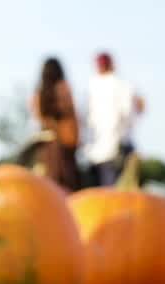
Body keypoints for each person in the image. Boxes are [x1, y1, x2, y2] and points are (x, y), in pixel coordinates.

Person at [85, 51, 144, 187]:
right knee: (116, 192)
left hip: (96, 150)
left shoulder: (91, 87)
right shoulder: (122, 85)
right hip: (116, 147)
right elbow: (130, 113)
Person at [28, 57, 83, 192]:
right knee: (67, 186)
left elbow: (37, 116)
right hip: (65, 145)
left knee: (49, 186)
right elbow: (73, 116)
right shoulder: (64, 89)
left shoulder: (38, 94)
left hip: (46, 146)